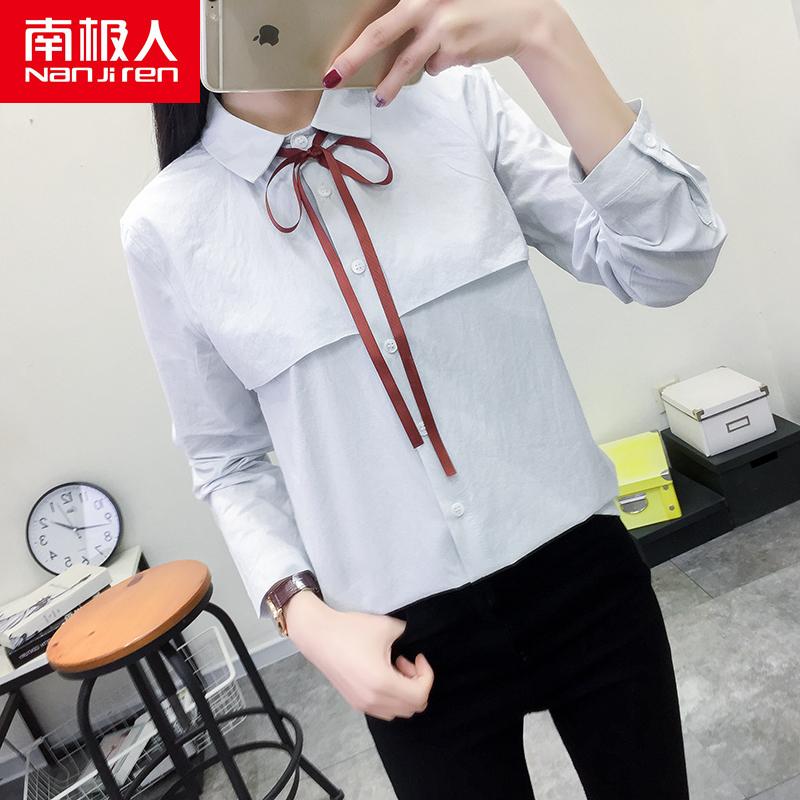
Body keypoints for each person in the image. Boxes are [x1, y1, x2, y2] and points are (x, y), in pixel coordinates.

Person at [120, 0, 727, 797]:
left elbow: (666, 261)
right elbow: (226, 460)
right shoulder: (167, 226)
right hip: (397, 642)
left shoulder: (455, 104)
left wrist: (544, 33)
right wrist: (307, 620)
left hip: (583, 574)